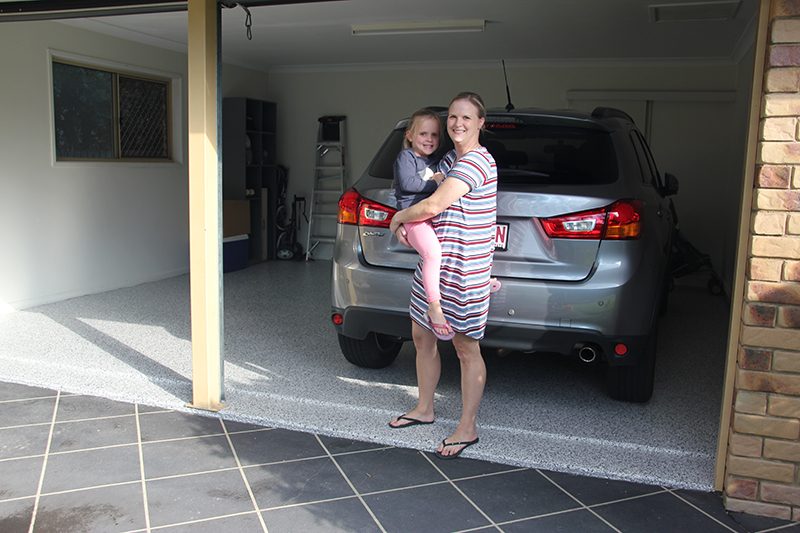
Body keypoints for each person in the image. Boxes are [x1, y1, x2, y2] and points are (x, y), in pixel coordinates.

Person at [388, 92, 497, 460]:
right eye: (453, 117)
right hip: (434, 265)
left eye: (467, 117)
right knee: (421, 335)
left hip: (463, 269)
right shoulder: (449, 157)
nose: (457, 124)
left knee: (466, 349)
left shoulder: (476, 162)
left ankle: (467, 428)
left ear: (481, 122)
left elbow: (434, 203)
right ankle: (424, 408)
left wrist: (398, 218)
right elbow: (418, 190)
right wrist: (409, 224)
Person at [392, 109, 500, 342]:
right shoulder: (407, 158)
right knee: (433, 254)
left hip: (426, 219)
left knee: (459, 243)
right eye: (423, 134)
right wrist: (438, 185)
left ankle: (480, 281)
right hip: (416, 217)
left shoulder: (443, 159)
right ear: (410, 135)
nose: (429, 139)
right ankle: (434, 306)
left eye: (434, 135)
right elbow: (410, 184)